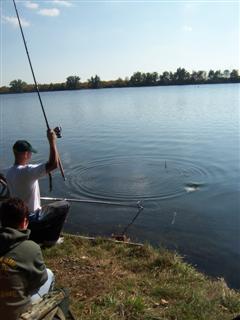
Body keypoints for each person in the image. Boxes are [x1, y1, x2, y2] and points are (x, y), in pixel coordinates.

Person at [6, 129, 70, 244]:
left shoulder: (9, 172)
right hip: (32, 217)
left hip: (19, 217)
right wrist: (52, 142)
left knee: (48, 209)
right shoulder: (27, 171)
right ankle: (51, 239)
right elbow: (53, 164)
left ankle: (36, 234)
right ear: (26, 154)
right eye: (30, 153)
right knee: (64, 205)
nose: (30, 156)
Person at [0, 198, 54, 319]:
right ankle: (46, 312)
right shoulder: (31, 248)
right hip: (14, 314)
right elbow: (40, 280)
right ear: (25, 221)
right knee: (50, 274)